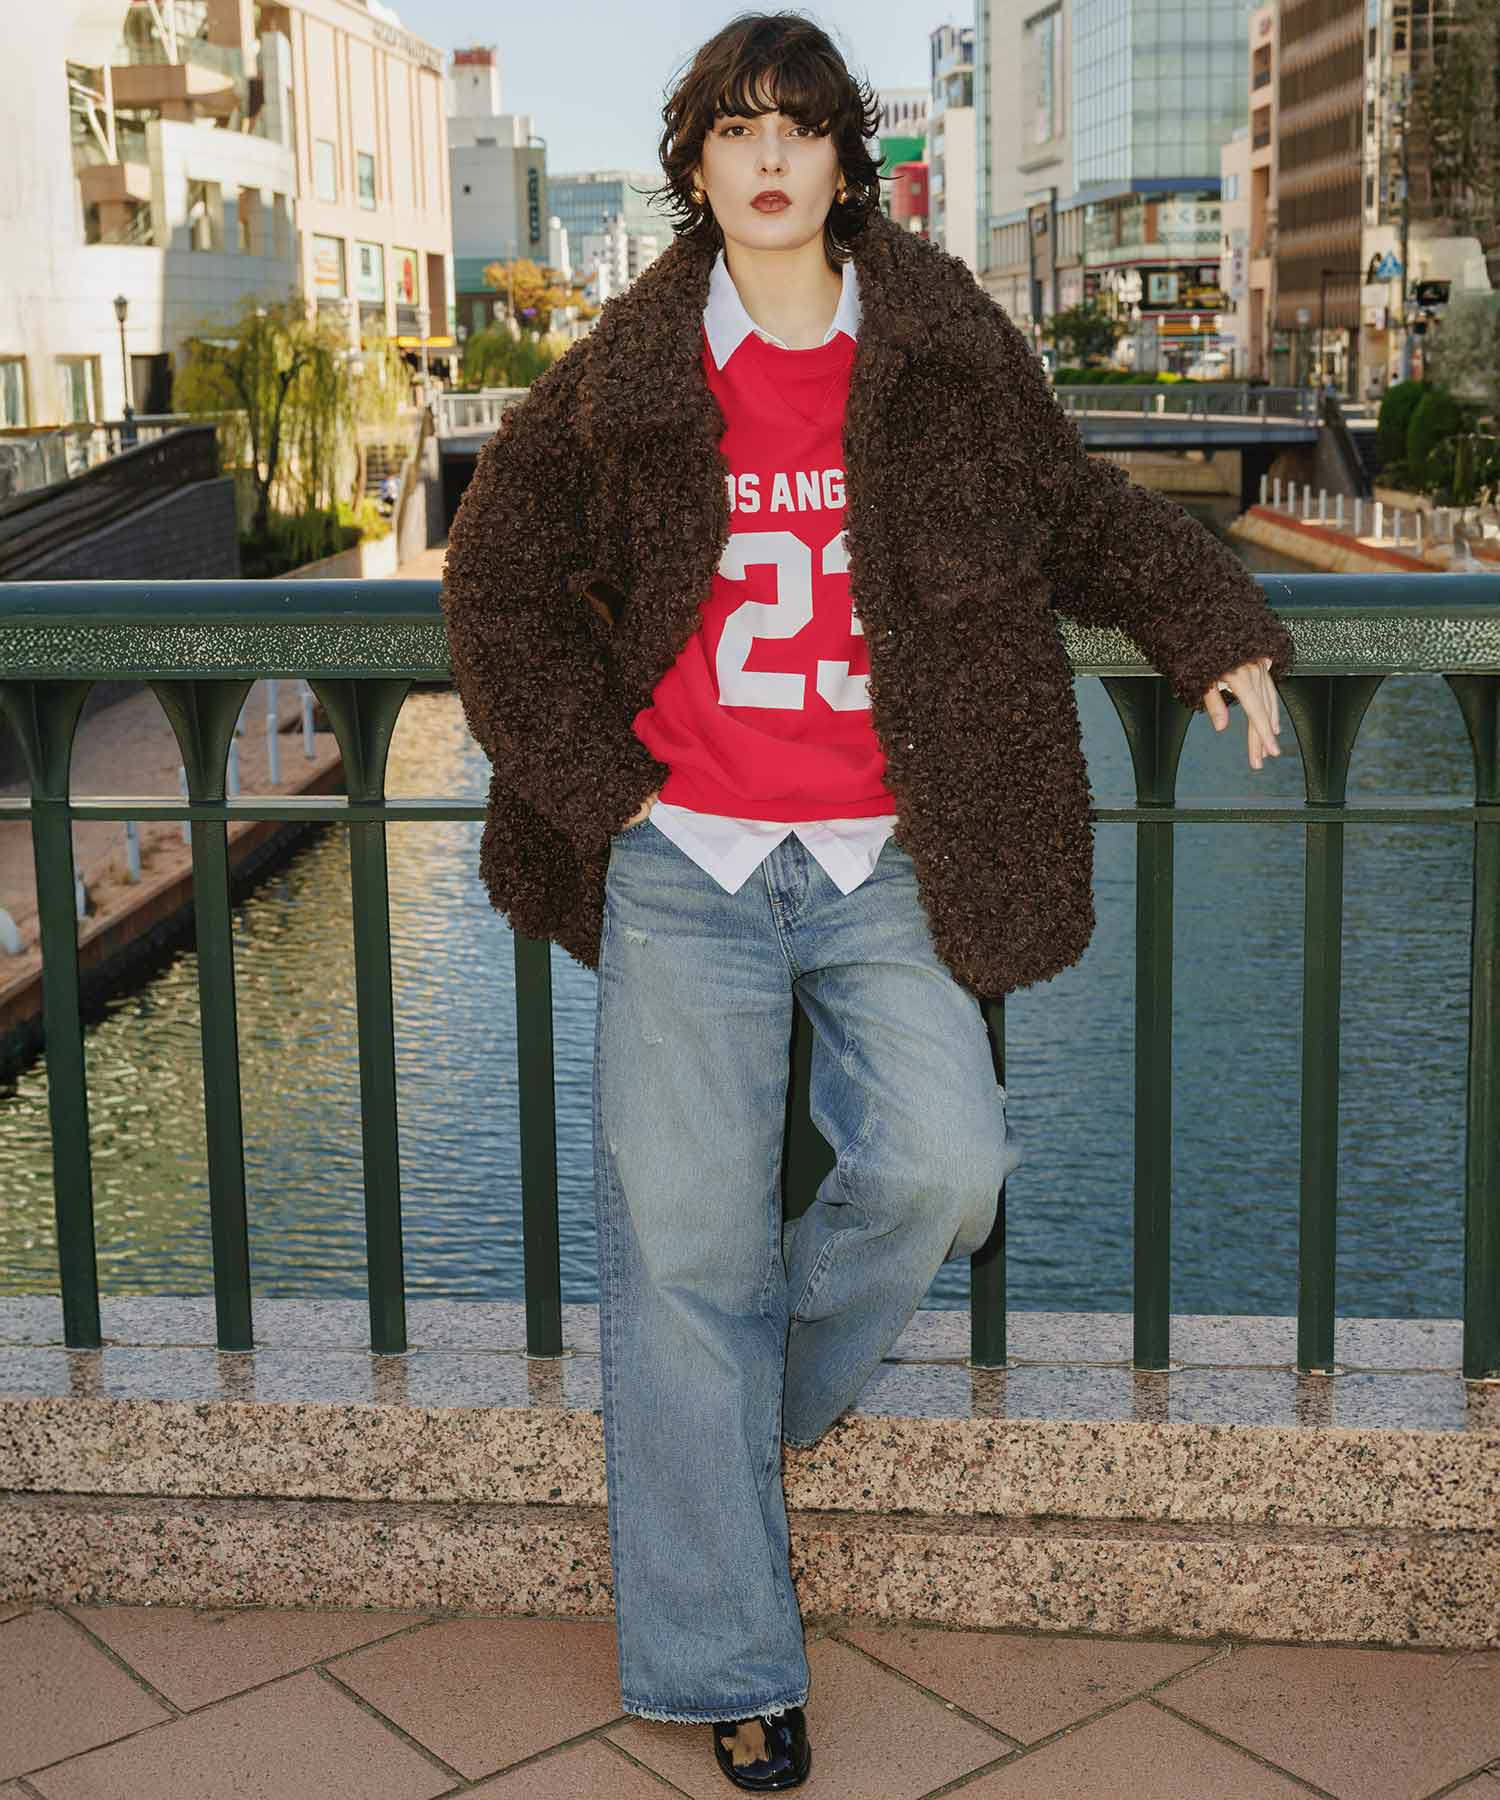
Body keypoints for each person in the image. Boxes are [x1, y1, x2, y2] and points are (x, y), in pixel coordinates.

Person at [439, 14, 1293, 1792]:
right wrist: (610, 788)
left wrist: (1211, 627)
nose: (768, 159)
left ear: (846, 161)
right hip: (686, 863)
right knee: (678, 1252)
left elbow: (1078, 513)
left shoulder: (940, 346)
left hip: (884, 851)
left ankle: (721, 1417)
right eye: (735, 130)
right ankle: (728, 1660)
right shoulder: (627, 368)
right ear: (695, 167)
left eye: (800, 129)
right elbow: (495, 581)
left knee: (946, 1167)